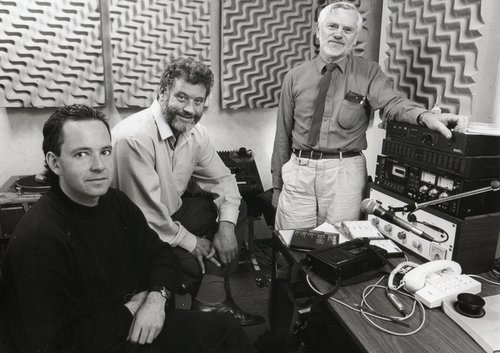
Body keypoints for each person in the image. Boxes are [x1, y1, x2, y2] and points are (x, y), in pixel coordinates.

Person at [0, 105, 256, 353]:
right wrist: (132, 309)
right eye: (82, 154)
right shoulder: (39, 238)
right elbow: (57, 343)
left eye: (105, 151)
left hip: (134, 326)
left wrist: (157, 298)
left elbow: (161, 255)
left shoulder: (114, 202)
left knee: (226, 330)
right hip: (96, 342)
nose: (99, 166)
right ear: (55, 163)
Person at [271, 1, 468, 230]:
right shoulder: (294, 77)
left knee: (340, 244)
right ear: (319, 31)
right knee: (291, 242)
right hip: (299, 171)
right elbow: (282, 133)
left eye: (347, 30)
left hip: (345, 172)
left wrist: (424, 116)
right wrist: (277, 186)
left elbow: (392, 104)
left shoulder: (370, 72)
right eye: (332, 26)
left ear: (354, 38)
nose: (338, 34)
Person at [111, 57, 264, 326]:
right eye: (182, 98)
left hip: (169, 215)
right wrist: (193, 242)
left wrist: (226, 229)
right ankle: (211, 299)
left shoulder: (197, 133)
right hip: (134, 232)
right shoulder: (134, 137)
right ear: (162, 93)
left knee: (237, 210)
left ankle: (209, 300)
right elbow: (146, 217)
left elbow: (225, 182)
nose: (190, 109)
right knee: (198, 265)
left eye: (198, 101)